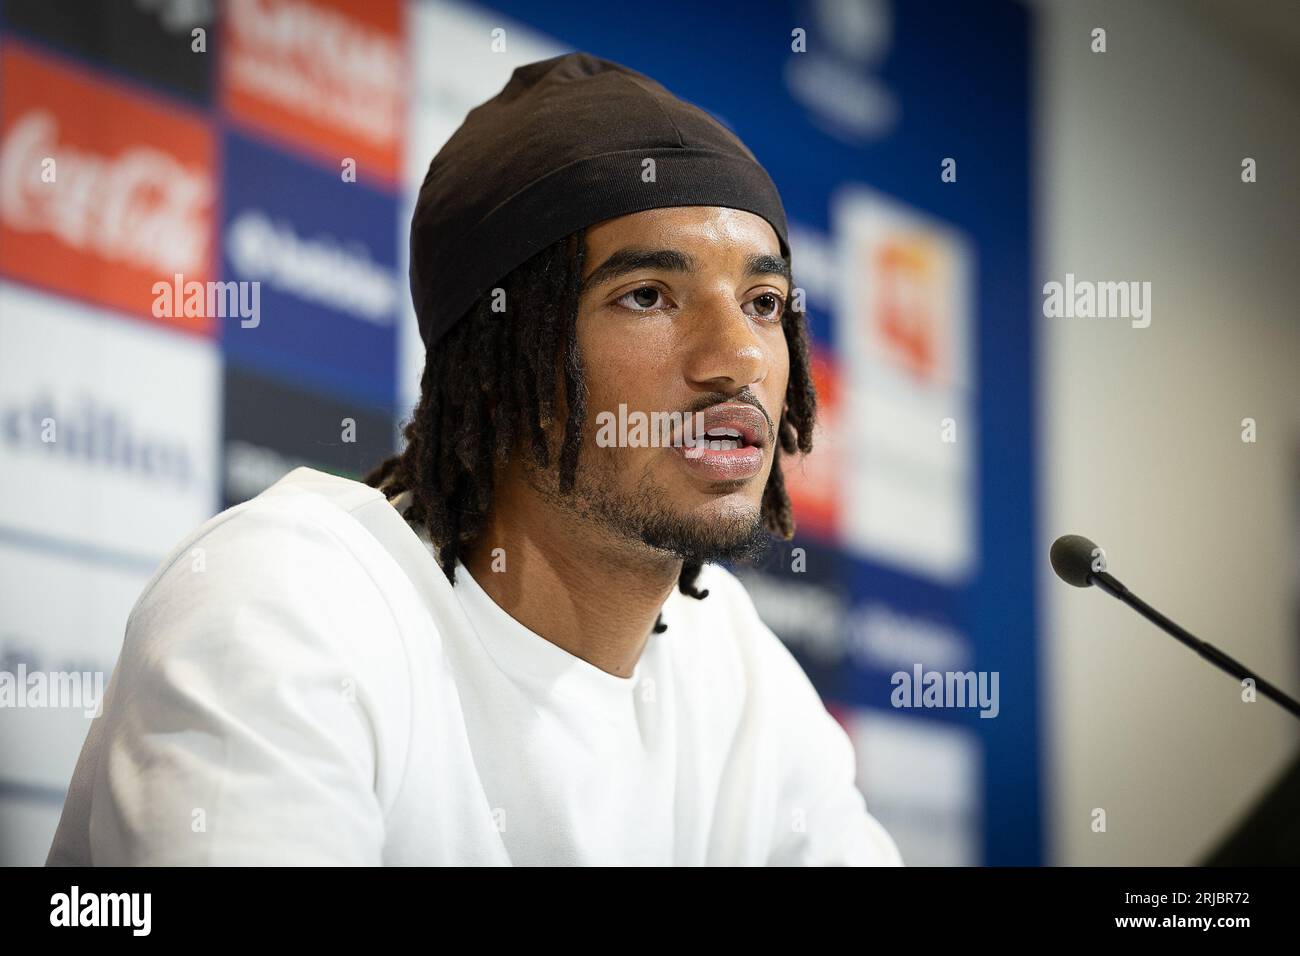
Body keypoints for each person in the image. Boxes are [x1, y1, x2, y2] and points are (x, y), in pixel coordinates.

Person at [46, 52, 902, 866]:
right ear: (495, 365)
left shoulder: (736, 664)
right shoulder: (285, 603)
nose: (740, 359)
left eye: (763, 303)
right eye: (647, 296)